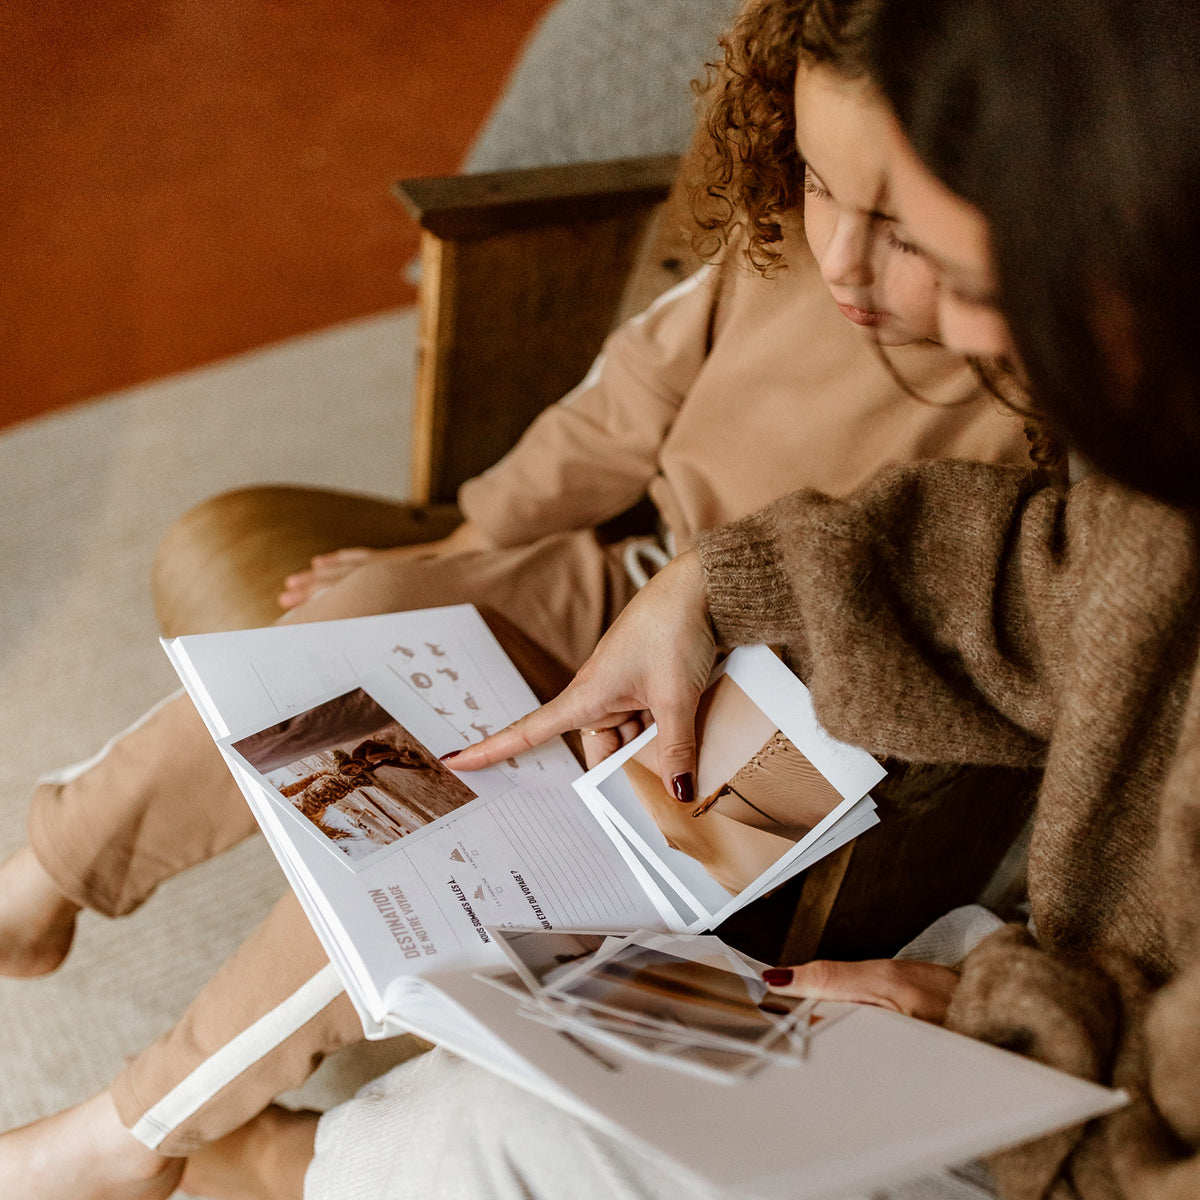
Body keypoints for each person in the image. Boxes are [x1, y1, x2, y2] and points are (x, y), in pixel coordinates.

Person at [0, 0, 1037, 1195]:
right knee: (371, 613)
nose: (845, 258)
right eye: (818, 184)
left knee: (452, 868)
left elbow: (991, 622)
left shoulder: (1044, 380)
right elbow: (625, 403)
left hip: (782, 715)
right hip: (640, 574)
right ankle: (52, 869)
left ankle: (137, 1131)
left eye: (901, 229)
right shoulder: (784, 247)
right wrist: (460, 550)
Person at [429, 0, 1200, 1196]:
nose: (946, 320)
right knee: (503, 1093)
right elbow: (1067, 588)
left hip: (1087, 1110)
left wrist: (1013, 1034)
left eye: (964, 266)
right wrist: (718, 579)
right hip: (1049, 1013)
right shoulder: (1160, 493)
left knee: (496, 1134)